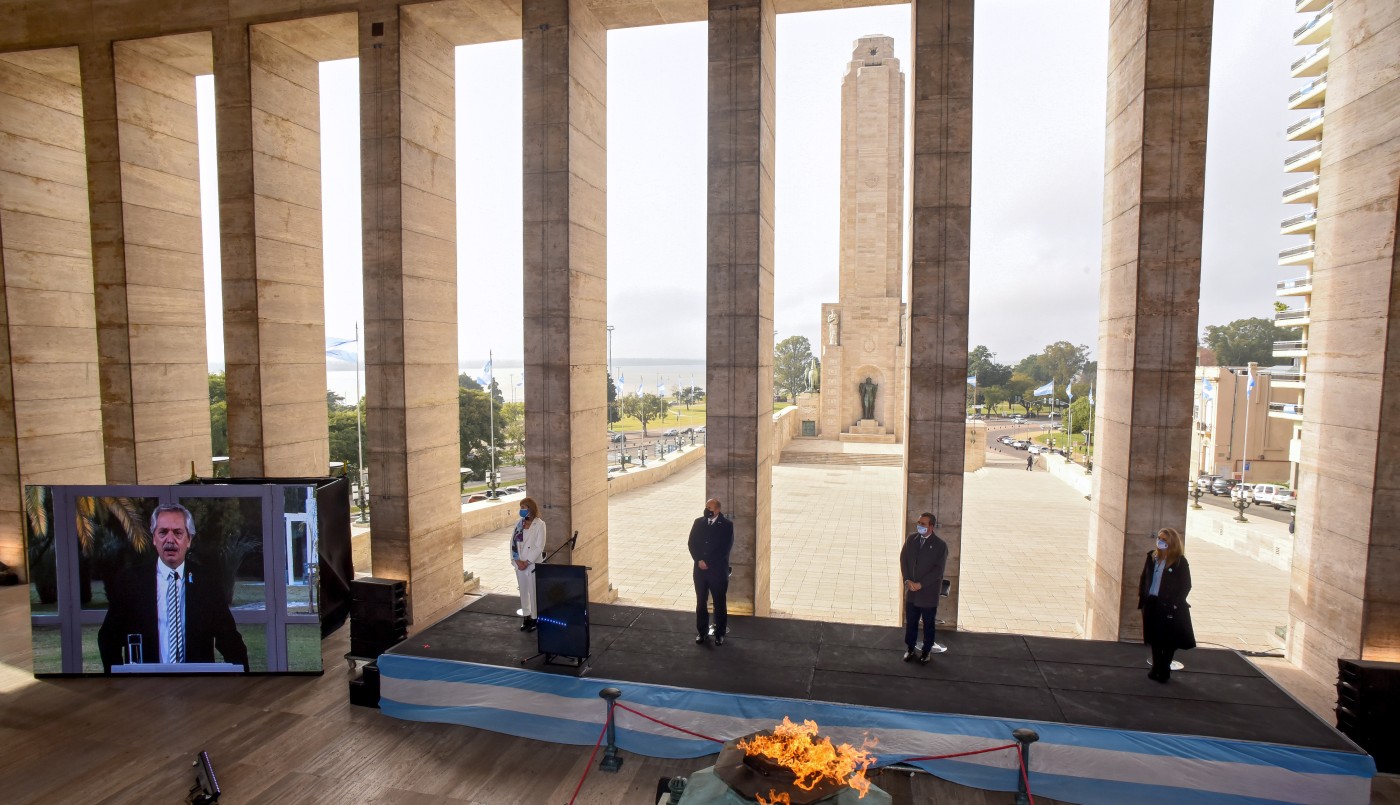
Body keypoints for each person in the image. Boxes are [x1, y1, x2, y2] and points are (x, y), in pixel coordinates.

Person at [98, 503, 248, 673]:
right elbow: (108, 638)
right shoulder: (130, 582)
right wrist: (119, 681)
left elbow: (229, 639)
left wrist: (244, 681)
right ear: (154, 539)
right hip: (146, 684)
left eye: (178, 533)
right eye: (163, 532)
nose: (170, 540)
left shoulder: (207, 582)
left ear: (189, 540)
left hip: (196, 683)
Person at [1138, 527, 1195, 682]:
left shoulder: (1179, 562)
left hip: (1168, 605)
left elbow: (1186, 585)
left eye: (1164, 539)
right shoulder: (1152, 557)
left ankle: (1164, 668)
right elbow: (1144, 578)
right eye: (1159, 538)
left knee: (1168, 639)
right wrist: (1142, 598)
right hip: (1152, 603)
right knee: (1154, 638)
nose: (1160, 541)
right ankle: (1156, 666)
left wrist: (1176, 602)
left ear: (1172, 542)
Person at [900, 512, 948, 662]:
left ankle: (926, 652)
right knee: (911, 622)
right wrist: (907, 580)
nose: (919, 526)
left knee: (928, 624)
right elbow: (903, 560)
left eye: (923, 524)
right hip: (912, 592)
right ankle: (910, 649)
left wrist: (921, 584)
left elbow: (938, 571)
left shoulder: (940, 546)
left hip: (928, 593)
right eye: (919, 523)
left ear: (931, 527)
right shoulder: (911, 539)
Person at [688, 497, 733, 646]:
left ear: (718, 510)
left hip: (717, 571)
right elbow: (692, 543)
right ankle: (702, 632)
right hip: (700, 571)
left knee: (719, 603)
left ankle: (720, 634)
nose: (707, 510)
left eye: (710, 508)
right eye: (706, 507)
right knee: (701, 602)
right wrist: (698, 560)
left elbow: (724, 549)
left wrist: (708, 562)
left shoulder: (727, 525)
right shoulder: (698, 522)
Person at [511, 497, 546, 632]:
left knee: (533, 592)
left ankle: (535, 619)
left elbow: (539, 546)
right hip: (519, 564)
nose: (521, 510)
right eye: (521, 507)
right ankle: (526, 617)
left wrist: (527, 562)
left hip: (532, 565)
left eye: (523, 508)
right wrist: (517, 561)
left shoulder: (540, 524)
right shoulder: (518, 524)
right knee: (523, 591)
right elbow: (512, 543)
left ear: (530, 509)